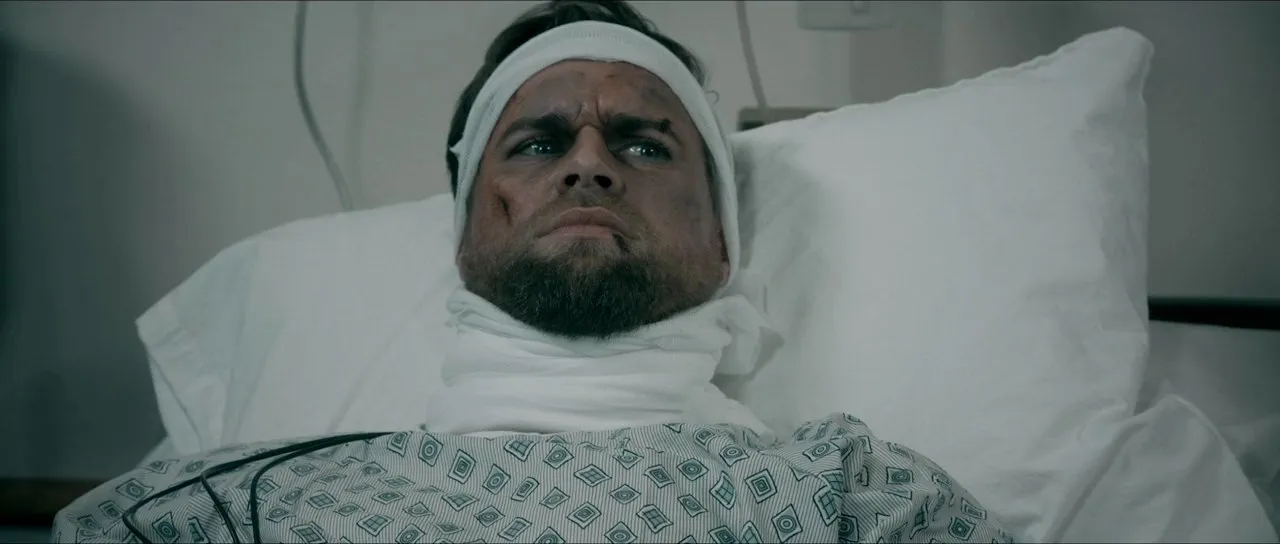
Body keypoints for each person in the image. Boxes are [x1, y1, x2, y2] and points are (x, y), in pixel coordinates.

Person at [53, 2, 1019, 542]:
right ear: (463, 234)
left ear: (723, 238)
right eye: (538, 144)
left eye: (643, 145)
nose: (588, 165)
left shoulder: (852, 499)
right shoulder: (227, 507)